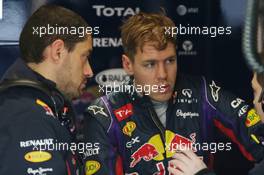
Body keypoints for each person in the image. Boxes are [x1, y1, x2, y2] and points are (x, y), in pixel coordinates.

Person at [81, 12, 264, 175]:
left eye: (170, 61)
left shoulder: (203, 95)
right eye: (150, 64)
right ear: (128, 65)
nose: (162, 75)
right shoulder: (105, 115)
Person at [0, 5, 93, 175]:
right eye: (84, 57)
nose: (89, 71)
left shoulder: (38, 106)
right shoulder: (26, 116)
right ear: (58, 51)